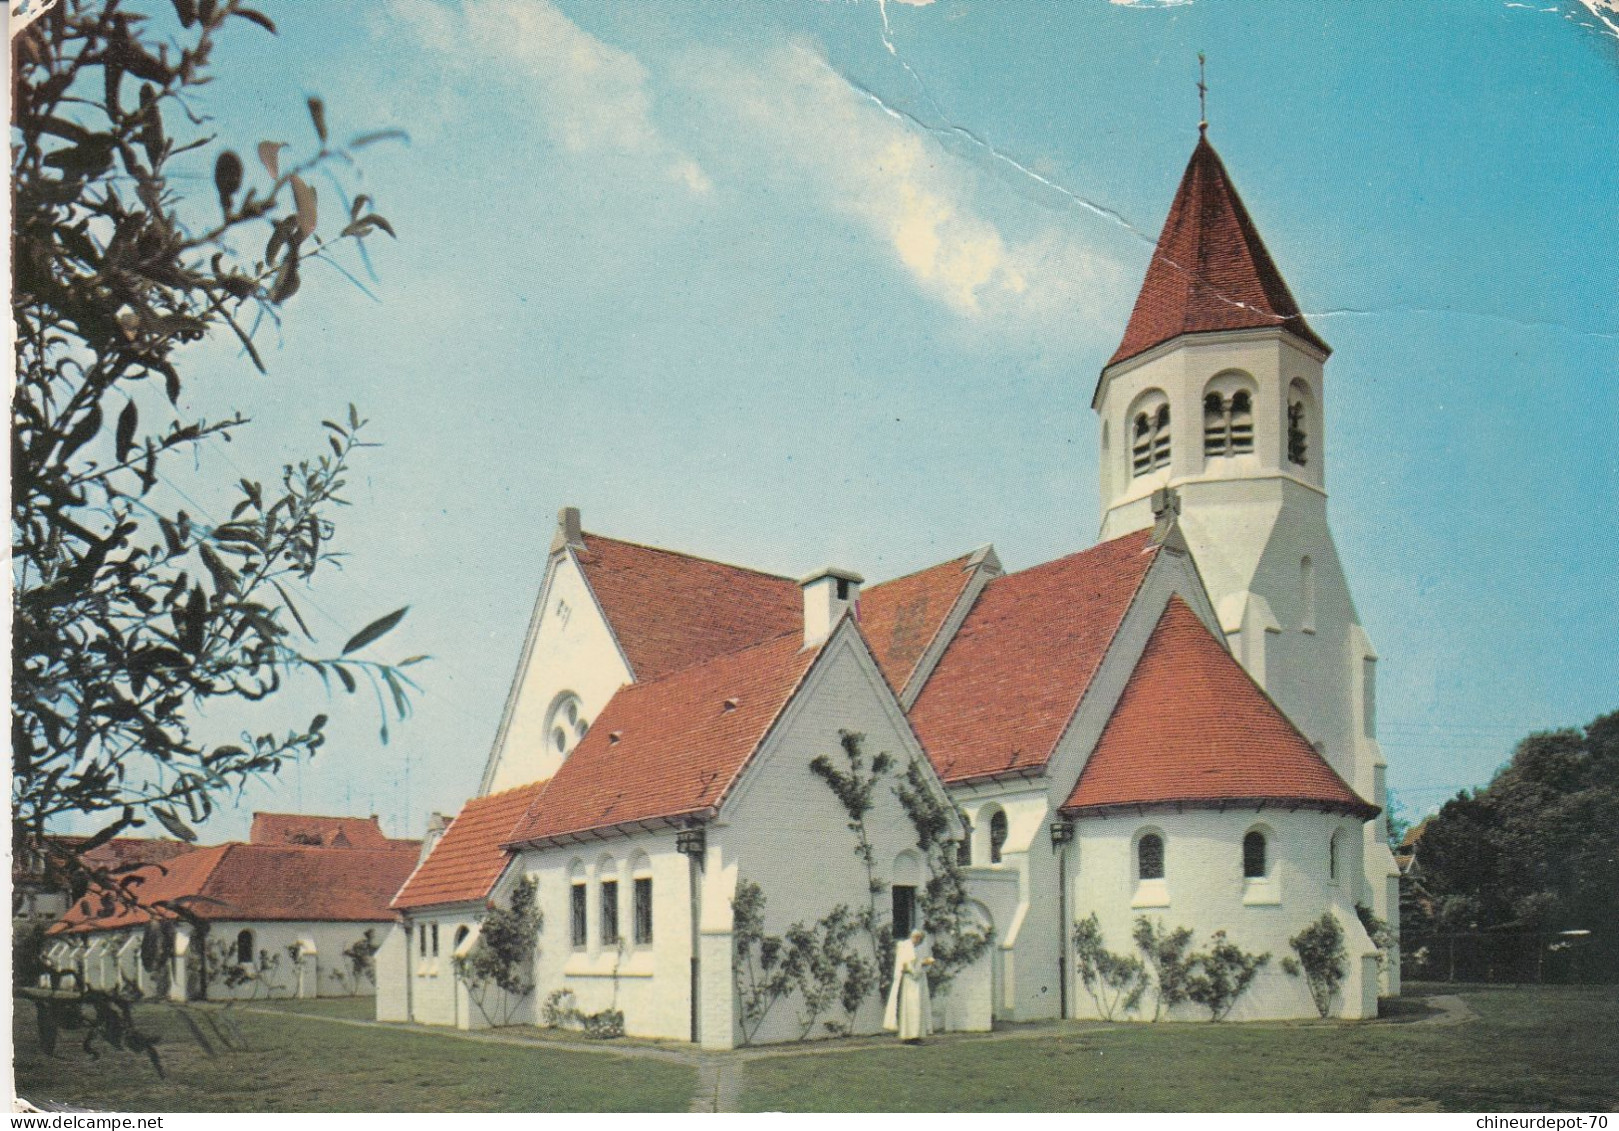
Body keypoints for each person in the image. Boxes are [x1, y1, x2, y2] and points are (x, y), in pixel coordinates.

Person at [883, 928, 935, 1043]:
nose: (917, 939)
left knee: (919, 1007)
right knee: (910, 1008)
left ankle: (917, 1035)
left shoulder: (921, 948)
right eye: (916, 937)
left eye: (919, 938)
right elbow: (906, 964)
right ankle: (908, 1036)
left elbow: (925, 961)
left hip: (920, 981)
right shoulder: (904, 946)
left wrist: (926, 963)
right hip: (909, 981)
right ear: (912, 936)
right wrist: (918, 966)